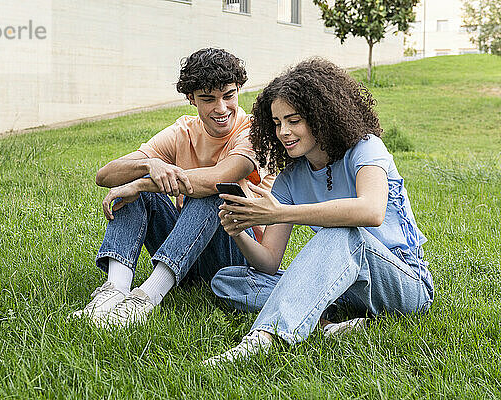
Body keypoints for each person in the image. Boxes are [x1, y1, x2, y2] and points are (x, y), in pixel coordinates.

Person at [204, 58, 434, 365]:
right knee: (229, 279)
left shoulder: (366, 148)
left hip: (404, 284)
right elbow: (269, 264)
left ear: (321, 117)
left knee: (343, 231)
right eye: (276, 123)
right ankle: (327, 325)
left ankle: (264, 338)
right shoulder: (289, 180)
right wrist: (240, 232)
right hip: (344, 287)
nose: (283, 131)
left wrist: (279, 214)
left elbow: (371, 211)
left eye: (293, 120)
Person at [72, 48, 272, 328]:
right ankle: (114, 291)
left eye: (229, 95)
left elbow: (220, 178)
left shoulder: (252, 132)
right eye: (208, 99)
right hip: (188, 249)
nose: (222, 108)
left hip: (236, 256)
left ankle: (146, 298)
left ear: (239, 90)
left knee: (213, 191)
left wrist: (140, 183)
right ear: (191, 99)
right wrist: (147, 165)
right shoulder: (183, 132)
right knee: (136, 190)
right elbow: (105, 175)